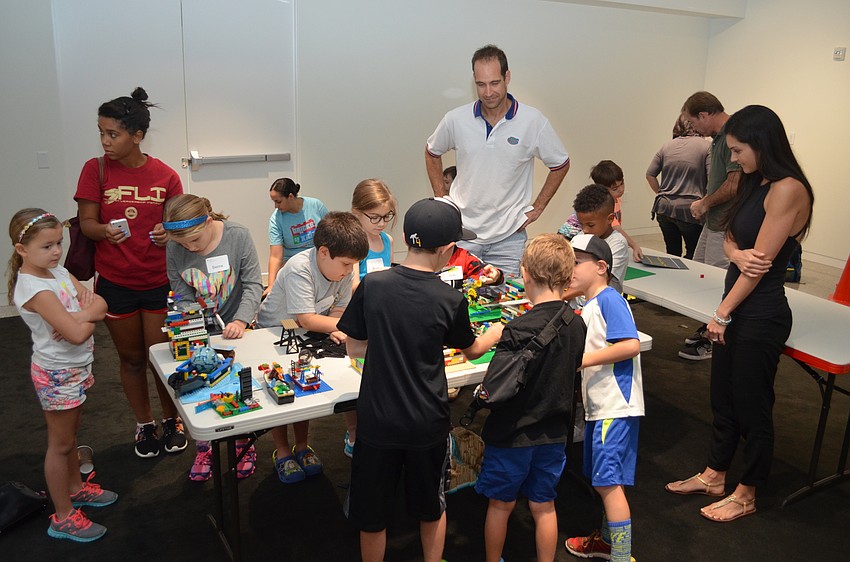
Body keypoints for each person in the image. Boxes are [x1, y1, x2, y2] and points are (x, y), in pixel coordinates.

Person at [665, 105, 814, 523]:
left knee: (752, 406)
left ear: (762, 144)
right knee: (723, 399)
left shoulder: (788, 189)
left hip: (759, 313)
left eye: (737, 150)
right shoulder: (754, 181)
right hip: (735, 305)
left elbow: (759, 266)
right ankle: (715, 475)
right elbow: (730, 237)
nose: (732, 159)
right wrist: (733, 252)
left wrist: (723, 313)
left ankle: (746, 492)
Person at [338, 197, 504, 562]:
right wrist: (493, 334)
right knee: (431, 505)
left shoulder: (373, 285)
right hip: (425, 422)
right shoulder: (449, 299)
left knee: (372, 513)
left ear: (404, 236)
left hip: (378, 420)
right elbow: (472, 351)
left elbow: (353, 348)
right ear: (446, 250)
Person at [74, 87, 186, 459]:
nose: (105, 141)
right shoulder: (96, 169)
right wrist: (104, 230)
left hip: (158, 280)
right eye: (102, 132)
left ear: (137, 136)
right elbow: (87, 223)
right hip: (115, 281)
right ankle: (144, 423)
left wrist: (165, 233)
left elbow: (178, 228)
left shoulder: (167, 176)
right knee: (132, 358)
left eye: (113, 134)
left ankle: (172, 419)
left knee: (159, 356)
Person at [8, 209, 117, 542]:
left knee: (70, 439)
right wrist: (84, 318)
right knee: (60, 445)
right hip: (57, 372)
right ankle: (63, 516)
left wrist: (82, 315)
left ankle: (75, 487)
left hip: (75, 367)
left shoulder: (57, 271)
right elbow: (76, 333)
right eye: (46, 246)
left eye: (58, 243)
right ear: (21, 249)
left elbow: (100, 304)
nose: (56, 252)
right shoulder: (34, 289)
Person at [475, 234, 586, 562]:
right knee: (544, 506)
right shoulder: (576, 325)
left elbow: (494, 387)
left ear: (524, 273)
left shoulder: (517, 328)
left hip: (512, 435)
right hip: (553, 434)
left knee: (500, 505)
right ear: (568, 277)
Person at [425, 44, 570, 276]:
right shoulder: (456, 119)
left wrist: (538, 207)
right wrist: (442, 197)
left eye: (495, 83)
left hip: (508, 238)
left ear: (507, 77)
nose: (488, 92)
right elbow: (432, 151)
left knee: (504, 304)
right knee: (457, 303)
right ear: (474, 81)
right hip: (463, 234)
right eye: (481, 84)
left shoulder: (532, 121)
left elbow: (560, 164)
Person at [257, 212, 368, 483]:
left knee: (303, 388)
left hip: (305, 334)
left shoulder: (342, 269)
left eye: (353, 264)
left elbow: (339, 310)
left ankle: (302, 446)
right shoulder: (299, 268)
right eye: (345, 264)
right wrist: (339, 326)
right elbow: (305, 317)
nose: (348, 271)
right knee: (280, 393)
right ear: (323, 252)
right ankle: (282, 450)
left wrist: (338, 326)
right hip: (271, 335)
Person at [163, 194, 263, 481]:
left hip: (237, 329)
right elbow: (180, 290)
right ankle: (205, 445)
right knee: (199, 387)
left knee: (238, 386)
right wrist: (191, 316)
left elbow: (254, 283)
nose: (189, 248)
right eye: (183, 244)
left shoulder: (238, 236)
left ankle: (242, 442)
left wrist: (242, 319)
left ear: (209, 221)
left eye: (194, 241)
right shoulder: (175, 246)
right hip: (198, 330)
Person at [564, 234, 644, 562]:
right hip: (602, 406)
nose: (569, 269)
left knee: (609, 484)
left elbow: (630, 345)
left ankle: (621, 555)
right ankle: (608, 543)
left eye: (576, 263)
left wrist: (581, 361)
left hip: (615, 405)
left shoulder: (610, 299)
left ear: (600, 267)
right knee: (603, 481)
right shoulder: (591, 304)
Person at [678, 91, 742, 361]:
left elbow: (735, 183)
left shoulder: (732, 136)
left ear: (704, 115)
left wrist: (705, 203)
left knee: (718, 282)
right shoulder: (718, 139)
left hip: (725, 224)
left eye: (693, 123)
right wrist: (706, 203)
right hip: (714, 221)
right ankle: (707, 326)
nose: (693, 130)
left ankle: (717, 337)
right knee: (702, 276)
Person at [346, 179, 397, 456]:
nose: (381, 223)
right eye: (374, 217)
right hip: (361, 314)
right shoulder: (355, 242)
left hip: (382, 315)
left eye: (386, 217)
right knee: (356, 379)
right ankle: (353, 432)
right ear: (356, 212)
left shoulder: (387, 240)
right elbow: (353, 286)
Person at [645, 115, 711, 259]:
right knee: (694, 255)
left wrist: (661, 193)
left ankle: (671, 280)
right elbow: (712, 179)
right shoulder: (706, 146)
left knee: (672, 253)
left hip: (663, 208)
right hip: (690, 211)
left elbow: (650, 174)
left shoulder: (666, 146)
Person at [265, 177, 329, 297]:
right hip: (292, 262)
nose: (276, 206)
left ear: (290, 196)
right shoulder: (276, 219)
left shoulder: (315, 205)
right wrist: (271, 285)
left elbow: (330, 233)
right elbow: (275, 256)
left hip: (317, 256)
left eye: (278, 202)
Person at [564, 185, 629, 296]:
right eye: (581, 224)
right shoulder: (581, 236)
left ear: (610, 219)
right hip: (577, 304)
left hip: (602, 306)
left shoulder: (617, 243)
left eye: (590, 225)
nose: (585, 229)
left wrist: (560, 297)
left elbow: (598, 281)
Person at [590, 160, 643, 262]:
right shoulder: (603, 205)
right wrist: (634, 245)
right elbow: (616, 228)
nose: (621, 189)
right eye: (615, 188)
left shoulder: (615, 200)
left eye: (622, 184)